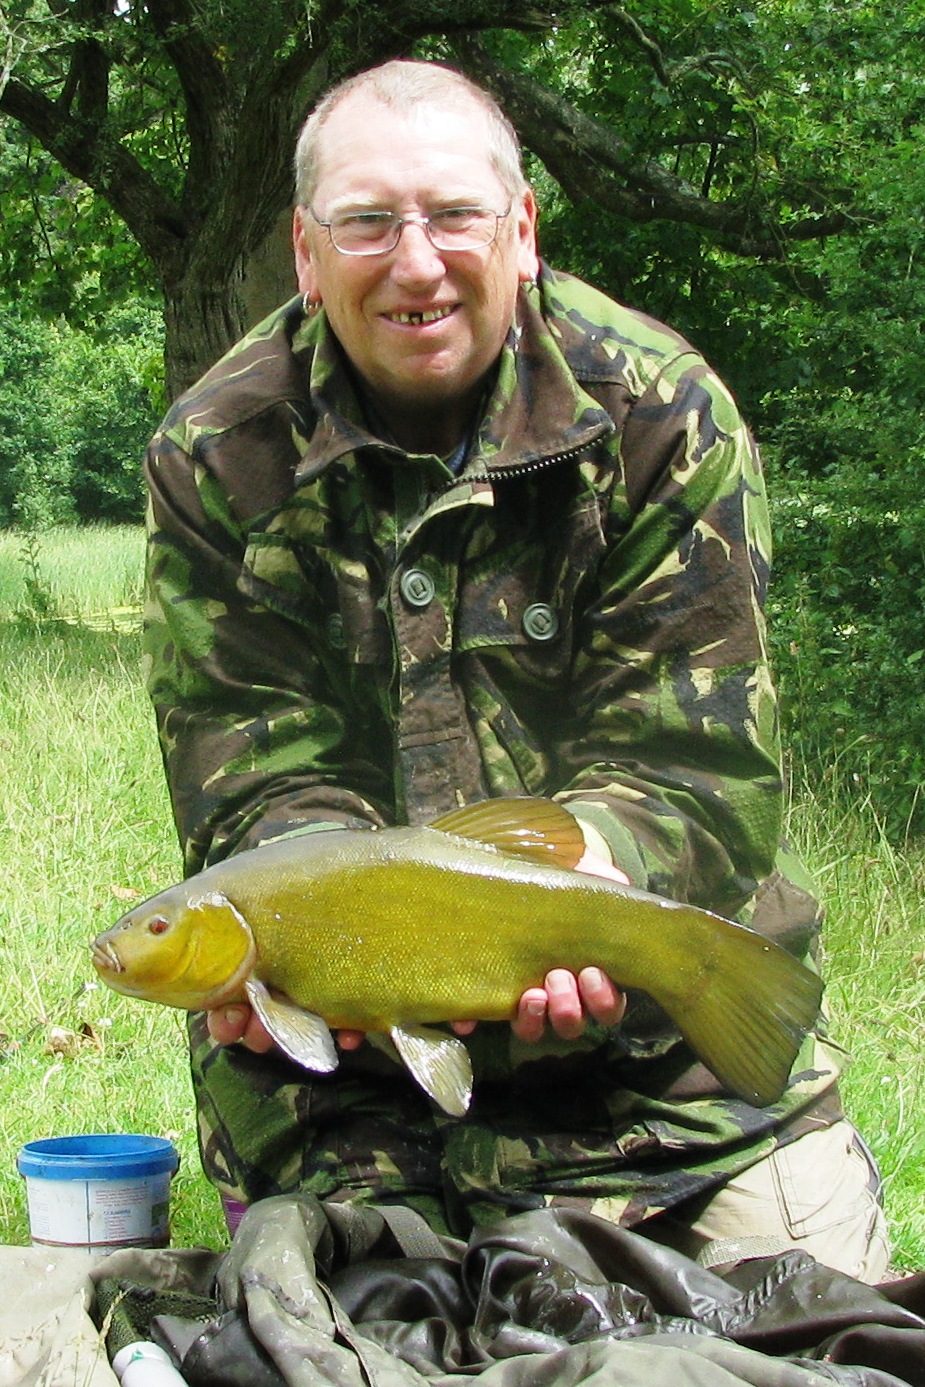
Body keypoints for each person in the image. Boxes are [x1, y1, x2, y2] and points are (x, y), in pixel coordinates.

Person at [143, 58, 889, 1281]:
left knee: (811, 1332)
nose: (416, 261)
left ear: (523, 229)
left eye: (454, 215)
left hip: (674, 1091)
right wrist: (297, 959)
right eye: (367, 221)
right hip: (353, 1104)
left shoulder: (660, 412)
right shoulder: (216, 451)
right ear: (303, 250)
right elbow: (257, 783)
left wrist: (588, 881)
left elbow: (697, 774)